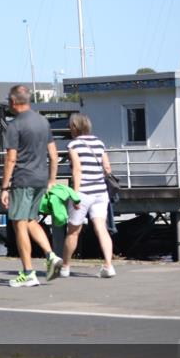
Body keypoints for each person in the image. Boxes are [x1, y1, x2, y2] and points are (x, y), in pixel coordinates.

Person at [0, 84, 64, 287]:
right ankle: (51, 255)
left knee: (19, 224)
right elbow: (54, 155)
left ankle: (28, 272)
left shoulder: (14, 125)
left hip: (23, 179)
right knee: (30, 220)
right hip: (40, 179)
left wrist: (4, 187)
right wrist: (52, 180)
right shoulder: (43, 122)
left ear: (13, 102)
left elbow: (11, 159)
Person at [62, 113, 116, 278]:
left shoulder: (74, 145)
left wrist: (75, 194)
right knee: (101, 228)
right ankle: (108, 265)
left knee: (73, 230)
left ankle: (65, 266)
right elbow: (107, 168)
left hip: (83, 192)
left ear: (74, 127)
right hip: (100, 192)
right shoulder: (99, 142)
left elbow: (76, 170)